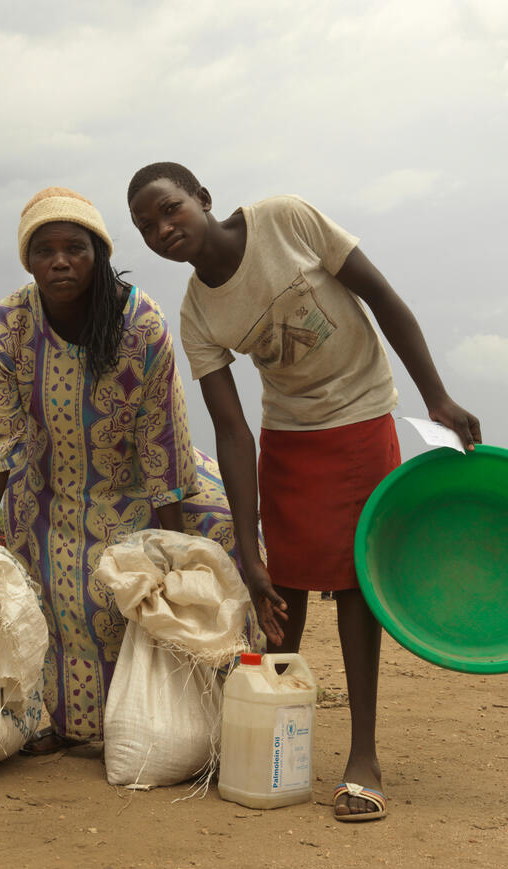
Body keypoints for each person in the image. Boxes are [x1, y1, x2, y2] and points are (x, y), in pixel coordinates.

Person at [127, 163, 481, 822]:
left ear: (202, 199)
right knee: (280, 589)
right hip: (288, 433)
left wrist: (437, 397)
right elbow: (231, 433)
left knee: (354, 582)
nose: (162, 228)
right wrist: (250, 548)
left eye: (170, 209)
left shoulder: (284, 218)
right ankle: (272, 741)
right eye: (145, 225)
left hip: (361, 412)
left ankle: (363, 757)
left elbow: (382, 297)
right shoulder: (197, 313)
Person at [0, 187, 253, 754]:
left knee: (216, 537)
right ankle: (57, 720)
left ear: (97, 253)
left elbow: (162, 438)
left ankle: (215, 710)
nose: (60, 261)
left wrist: (170, 542)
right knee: (54, 581)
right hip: (47, 488)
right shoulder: (7, 329)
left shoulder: (139, 323)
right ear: (29, 261)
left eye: (75, 248)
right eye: (44, 251)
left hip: (144, 488)